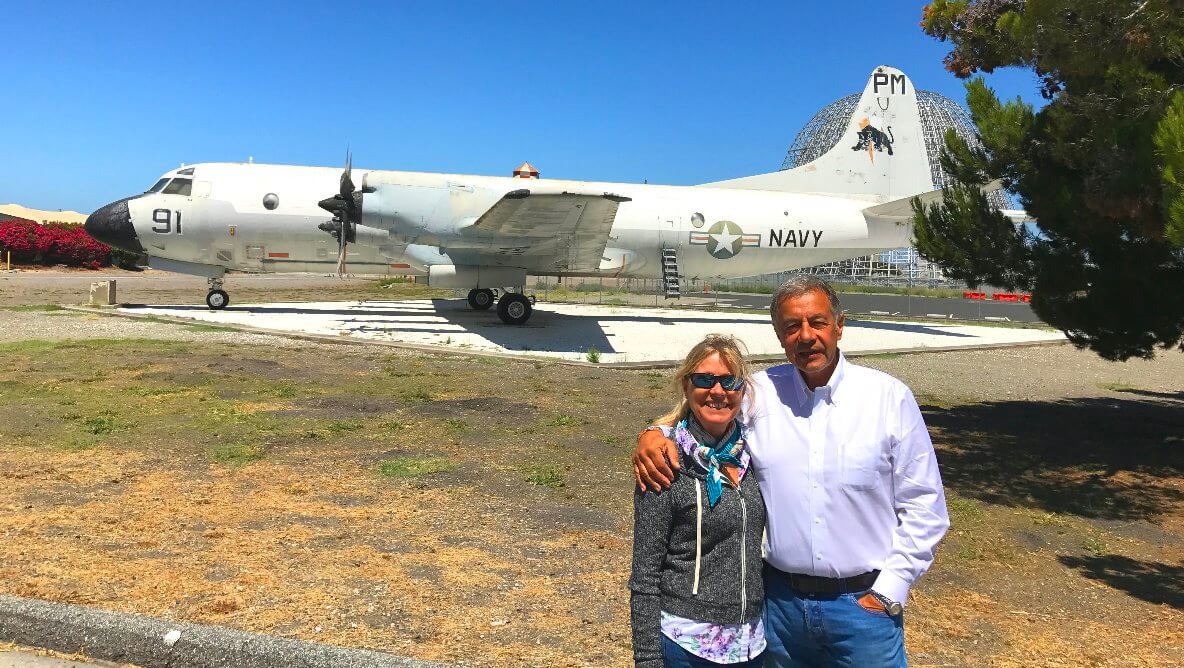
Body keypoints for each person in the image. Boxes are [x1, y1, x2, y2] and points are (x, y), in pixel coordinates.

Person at [633, 277, 949, 668]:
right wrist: (655, 433)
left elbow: (925, 506)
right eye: (792, 326)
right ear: (780, 336)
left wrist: (889, 589)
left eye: (817, 322)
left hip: (862, 609)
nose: (806, 336)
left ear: (839, 326)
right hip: (780, 611)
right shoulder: (760, 394)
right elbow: (707, 408)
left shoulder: (888, 398)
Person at [629, 334, 767, 668]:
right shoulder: (665, 462)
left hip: (750, 644)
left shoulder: (756, 454)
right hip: (686, 643)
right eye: (704, 380)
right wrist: (647, 659)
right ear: (686, 386)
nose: (717, 391)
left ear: (742, 390)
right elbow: (645, 577)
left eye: (729, 381)